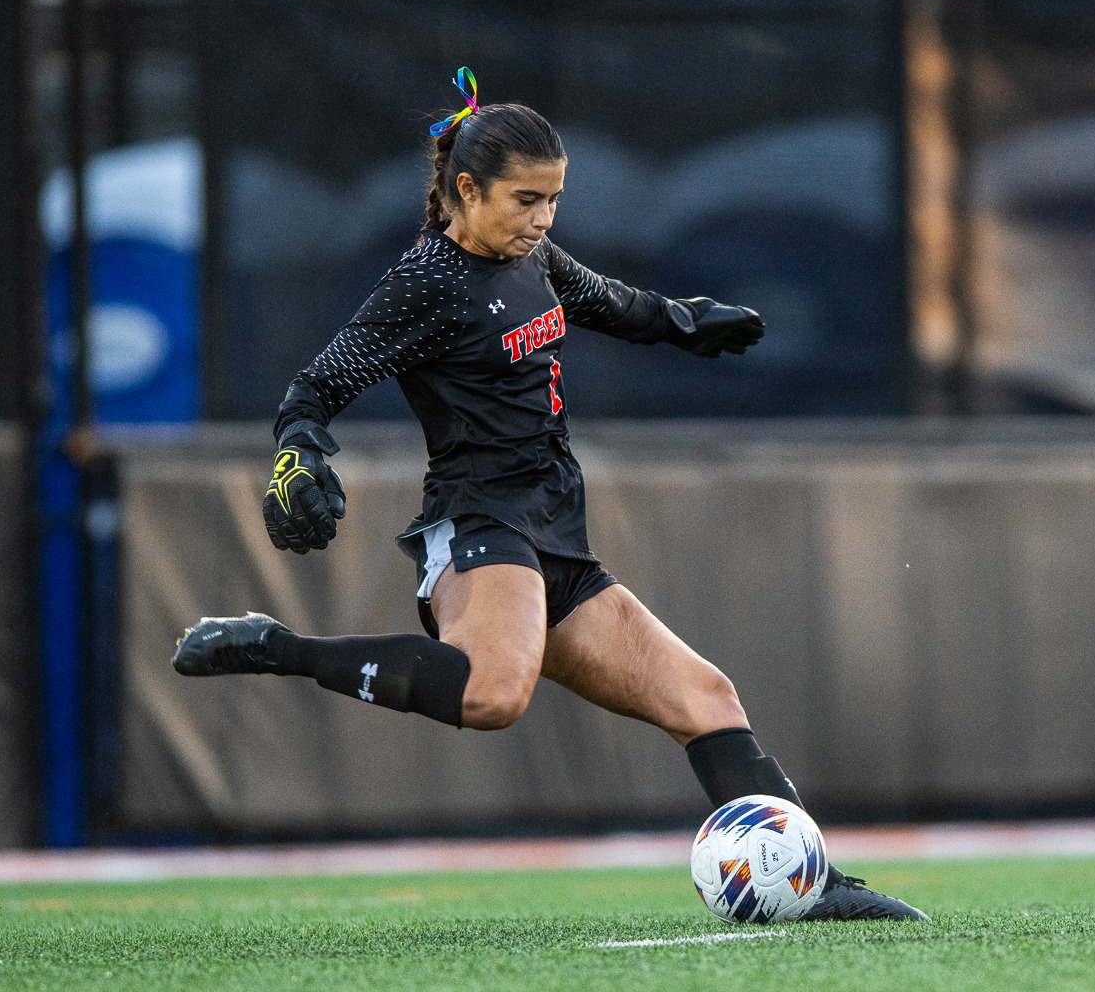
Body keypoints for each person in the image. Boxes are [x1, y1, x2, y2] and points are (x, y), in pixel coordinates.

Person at [172, 68, 924, 921]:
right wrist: (298, 460)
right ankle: (279, 648)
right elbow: (315, 387)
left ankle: (816, 885)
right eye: (526, 200)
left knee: (706, 698)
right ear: (466, 189)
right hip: (481, 522)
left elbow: (606, 302)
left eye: (554, 201)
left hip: (556, 532)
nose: (543, 219)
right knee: (493, 694)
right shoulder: (428, 279)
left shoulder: (531, 257)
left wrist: (686, 321)